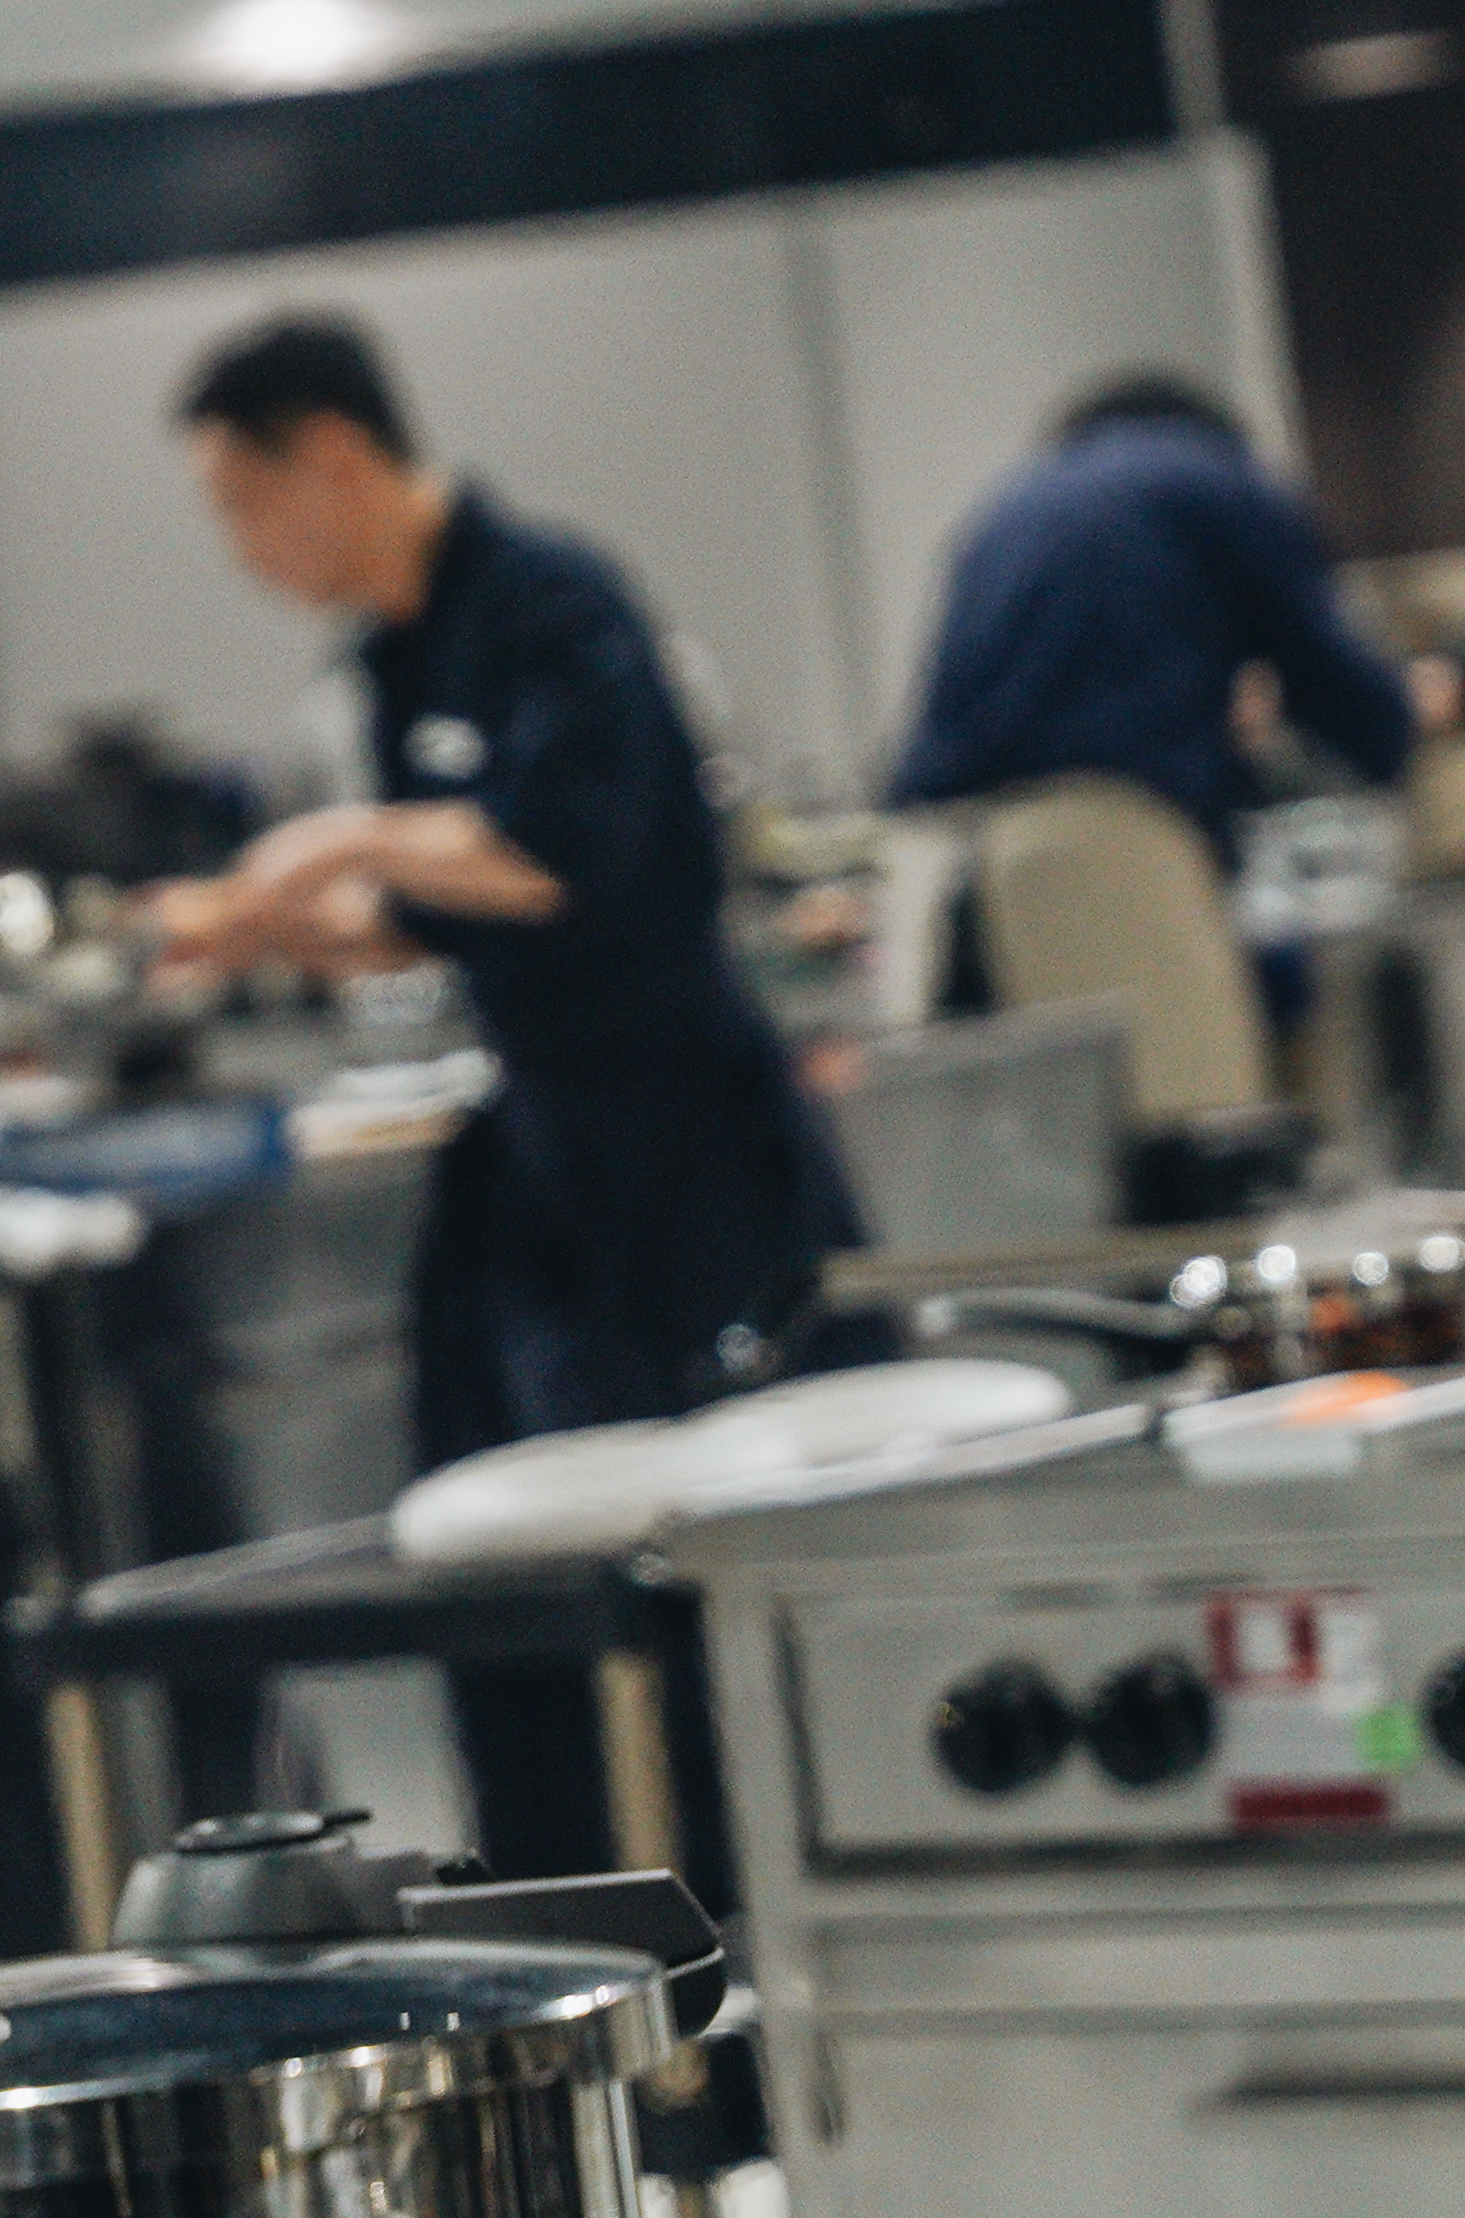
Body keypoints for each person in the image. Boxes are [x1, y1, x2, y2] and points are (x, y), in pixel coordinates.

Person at [147, 314, 856, 1876]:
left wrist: (331, 844)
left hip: (684, 1152)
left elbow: (552, 856)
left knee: (677, 1569)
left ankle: (727, 1897)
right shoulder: (398, 653)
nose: (242, 549)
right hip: (539, 1152)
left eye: (241, 505)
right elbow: (439, 904)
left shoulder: (552, 601)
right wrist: (258, 925)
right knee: (505, 1554)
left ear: (332, 457)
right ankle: (570, 1877)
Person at [893, 370, 1451, 854]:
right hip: (1141, 826)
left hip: (982, 846)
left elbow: (945, 730)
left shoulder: (1002, 515)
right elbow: (1326, 676)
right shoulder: (1221, 483)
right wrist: (1401, 715)